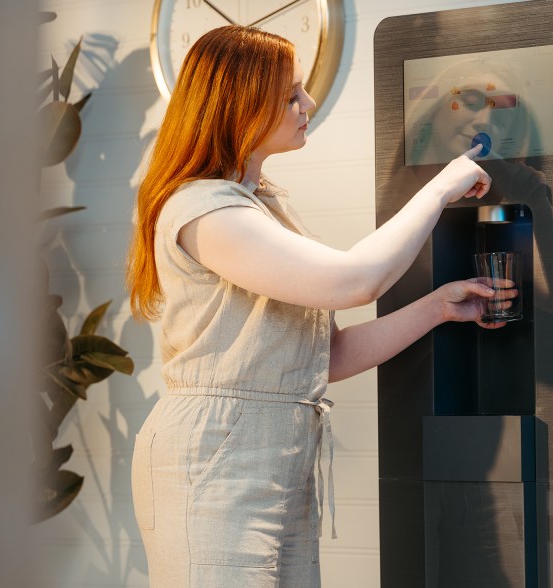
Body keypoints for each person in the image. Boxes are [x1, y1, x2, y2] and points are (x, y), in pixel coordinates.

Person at [126, 25, 508, 587]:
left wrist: (438, 309)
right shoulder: (205, 211)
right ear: (241, 105)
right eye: (291, 95)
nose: (307, 104)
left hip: (275, 454)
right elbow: (356, 281)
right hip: (215, 460)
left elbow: (322, 358)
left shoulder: (260, 206)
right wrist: (439, 188)